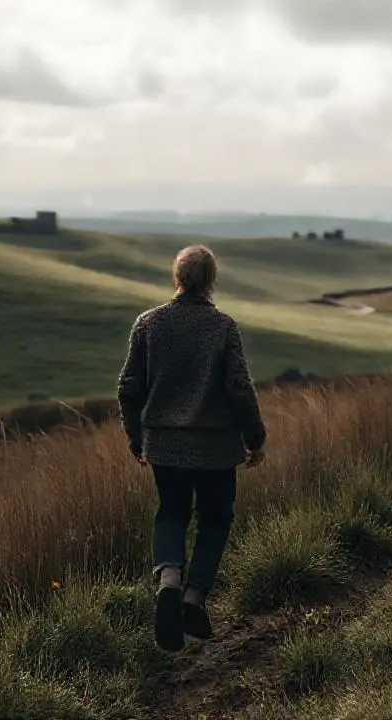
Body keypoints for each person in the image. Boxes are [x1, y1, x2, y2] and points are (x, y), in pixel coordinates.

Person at [117, 245, 267, 651]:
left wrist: (136, 438)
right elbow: (239, 389)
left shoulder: (147, 324)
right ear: (211, 281)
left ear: (177, 278)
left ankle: (168, 580)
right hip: (216, 449)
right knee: (215, 520)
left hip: (164, 445)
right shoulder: (223, 327)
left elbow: (128, 389)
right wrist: (255, 439)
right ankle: (193, 598)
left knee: (171, 512)